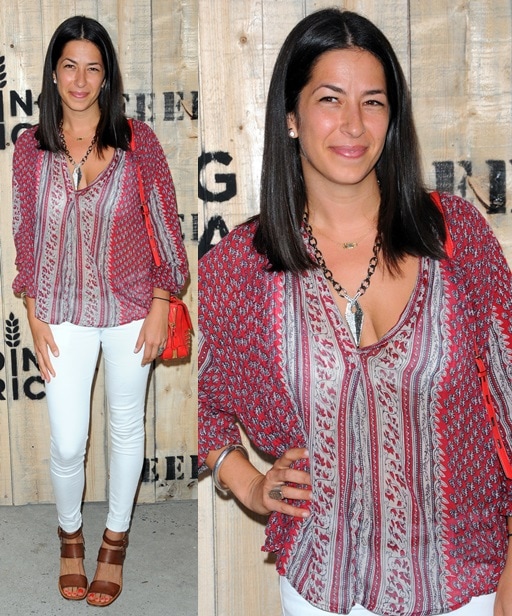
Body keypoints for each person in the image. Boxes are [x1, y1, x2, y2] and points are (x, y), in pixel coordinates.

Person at [198, 8, 512, 616]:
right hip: (324, 589)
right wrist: (250, 485)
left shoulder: (457, 235)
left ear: (392, 119)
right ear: (290, 117)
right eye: (330, 99)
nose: (353, 125)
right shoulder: (241, 266)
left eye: (373, 102)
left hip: (469, 584)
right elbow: (209, 406)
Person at [12, 15, 189, 607]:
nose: (81, 80)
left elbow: (165, 227)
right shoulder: (30, 148)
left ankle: (114, 539)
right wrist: (35, 310)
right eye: (70, 66)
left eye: (94, 67)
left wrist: (163, 301)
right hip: (59, 310)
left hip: (132, 308)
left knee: (125, 426)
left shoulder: (139, 141)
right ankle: (70, 535)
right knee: (66, 441)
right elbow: (26, 234)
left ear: (107, 75)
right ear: (54, 73)